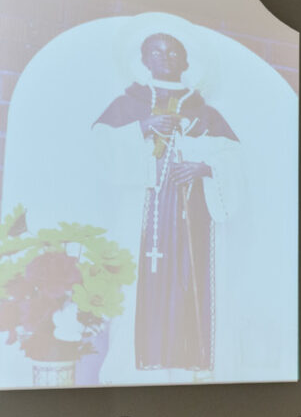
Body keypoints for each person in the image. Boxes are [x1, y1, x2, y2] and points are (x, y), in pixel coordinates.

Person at [92, 32, 239, 373]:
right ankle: (140, 359)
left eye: (174, 52)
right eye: (156, 51)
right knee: (145, 274)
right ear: (143, 60)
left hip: (191, 213)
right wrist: (143, 126)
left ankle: (189, 358)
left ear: (186, 61)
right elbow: (99, 147)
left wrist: (203, 167)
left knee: (188, 273)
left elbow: (234, 156)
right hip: (143, 211)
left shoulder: (204, 111)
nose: (166, 57)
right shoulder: (128, 104)